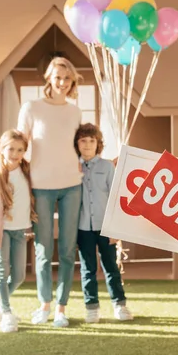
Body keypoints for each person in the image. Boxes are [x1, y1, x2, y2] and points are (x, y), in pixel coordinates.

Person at [17, 56, 83, 327]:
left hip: (72, 186)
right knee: (44, 250)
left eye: (67, 78)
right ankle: (44, 304)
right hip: (41, 186)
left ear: (72, 81)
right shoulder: (31, 107)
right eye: (58, 77)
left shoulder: (75, 111)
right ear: (48, 78)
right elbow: (19, 145)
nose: (63, 83)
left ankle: (61, 309)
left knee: (67, 250)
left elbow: (80, 147)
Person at [75, 123, 133, 323]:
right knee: (87, 268)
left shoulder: (107, 167)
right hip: (83, 228)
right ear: (77, 144)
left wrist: (115, 229)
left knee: (111, 267)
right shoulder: (73, 167)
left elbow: (115, 197)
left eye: (92, 141)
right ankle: (92, 308)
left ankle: (120, 305)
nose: (88, 145)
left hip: (105, 227)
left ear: (98, 143)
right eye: (83, 140)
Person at [0, 129, 37, 333]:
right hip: (2, 232)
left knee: (20, 276)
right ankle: (5, 313)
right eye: (11, 149)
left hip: (21, 231)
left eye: (20, 150)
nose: (15, 153)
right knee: (2, 272)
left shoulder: (27, 173)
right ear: (1, 149)